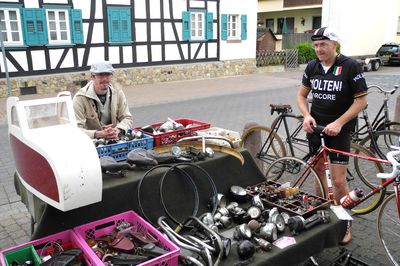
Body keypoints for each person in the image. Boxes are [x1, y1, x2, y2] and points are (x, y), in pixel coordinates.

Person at [296, 27, 368, 244]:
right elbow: (301, 95)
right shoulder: (312, 66)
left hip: (339, 131)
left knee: (338, 181)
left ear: (334, 45)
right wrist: (306, 116)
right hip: (316, 129)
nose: (319, 49)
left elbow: (361, 101)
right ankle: (322, 212)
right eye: (316, 45)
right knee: (318, 172)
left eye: (323, 44)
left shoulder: (350, 66)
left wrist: (339, 123)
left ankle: (345, 223)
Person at [73, 61, 133, 139]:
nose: (104, 79)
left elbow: (127, 118)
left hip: (114, 140)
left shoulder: (117, 92)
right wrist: (99, 134)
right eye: (100, 75)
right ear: (92, 77)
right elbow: (76, 130)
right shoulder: (80, 98)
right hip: (92, 143)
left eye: (108, 74)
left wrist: (117, 130)